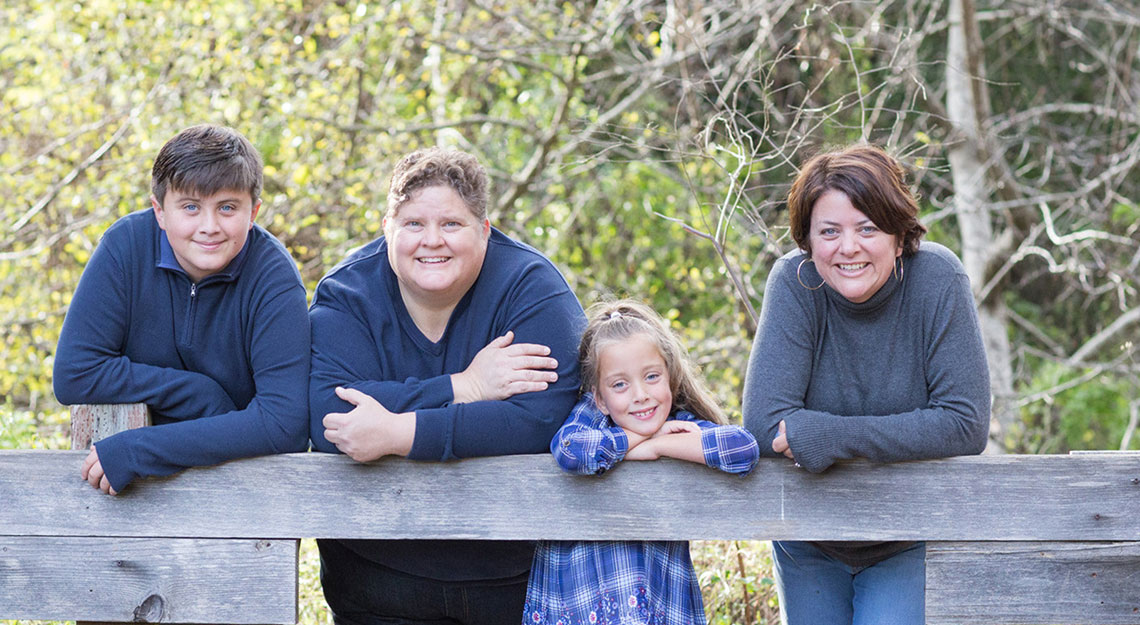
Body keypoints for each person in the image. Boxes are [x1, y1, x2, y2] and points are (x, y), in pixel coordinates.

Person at [308, 147, 586, 625]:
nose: (431, 241)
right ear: (386, 227)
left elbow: (542, 418)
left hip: (514, 578)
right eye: (413, 224)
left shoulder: (532, 287)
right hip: (376, 578)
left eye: (451, 225)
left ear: (484, 230)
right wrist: (465, 386)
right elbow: (326, 413)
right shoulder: (347, 293)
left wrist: (399, 432)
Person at [742, 144, 991, 624]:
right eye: (829, 232)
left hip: (907, 535)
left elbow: (965, 423)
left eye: (868, 228)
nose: (847, 247)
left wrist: (830, 435)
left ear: (900, 236)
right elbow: (763, 424)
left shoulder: (938, 279)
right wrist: (893, 433)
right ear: (808, 242)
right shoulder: (793, 284)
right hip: (809, 537)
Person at [53, 124, 311, 495]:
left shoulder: (273, 277)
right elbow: (74, 373)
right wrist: (196, 393)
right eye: (190, 207)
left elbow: (284, 424)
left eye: (227, 208)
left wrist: (142, 448)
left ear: (253, 212)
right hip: (129, 497)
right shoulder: (125, 248)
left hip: (242, 489)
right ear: (160, 211)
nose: (209, 227)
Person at [524, 300, 759, 625]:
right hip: (583, 609)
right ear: (601, 398)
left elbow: (743, 449)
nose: (640, 394)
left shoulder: (680, 426)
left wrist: (662, 443)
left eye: (651, 377)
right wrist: (641, 443)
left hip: (658, 605)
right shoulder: (592, 421)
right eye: (620, 384)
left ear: (670, 379)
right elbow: (568, 449)